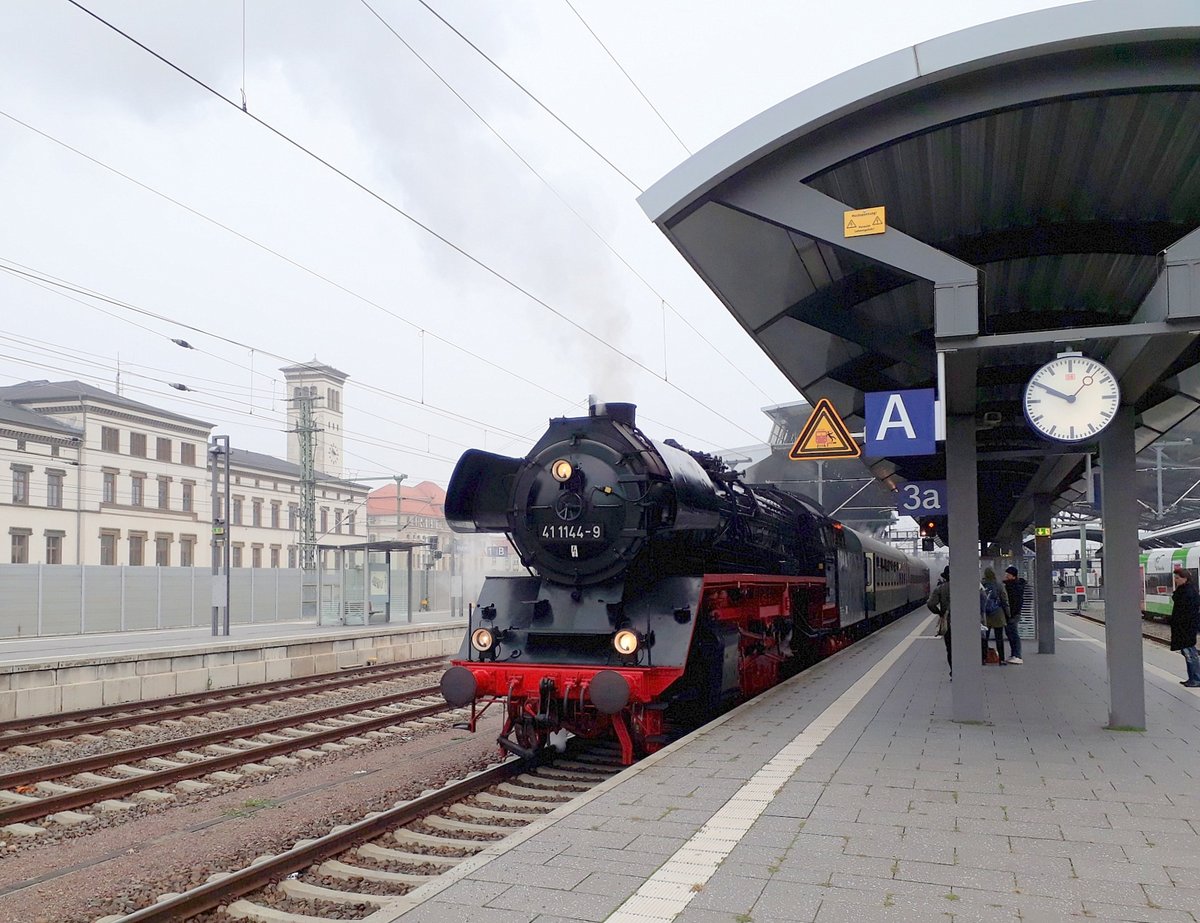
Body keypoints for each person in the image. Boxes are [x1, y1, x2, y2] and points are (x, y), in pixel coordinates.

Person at [1169, 567, 1200, 688]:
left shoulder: (1188, 592)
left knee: (1190, 654)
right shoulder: (1185, 590)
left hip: (1186, 628)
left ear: (1185, 578)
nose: (1175, 580)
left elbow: (1188, 611)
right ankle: (1192, 678)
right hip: (1184, 628)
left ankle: (1196, 678)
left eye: (1177, 578)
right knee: (1188, 653)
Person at [981, 567, 1011, 664]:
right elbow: (1004, 600)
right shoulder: (999, 585)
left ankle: (983, 658)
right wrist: (1008, 614)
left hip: (985, 614)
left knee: (984, 637)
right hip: (998, 613)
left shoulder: (982, 585)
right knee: (999, 638)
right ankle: (1001, 659)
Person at [927, 566, 952, 674]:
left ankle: (953, 671)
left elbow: (930, 603)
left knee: (950, 648)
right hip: (965, 622)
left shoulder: (941, 588)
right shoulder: (965, 586)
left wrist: (939, 612)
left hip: (948, 622)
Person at [1002, 566, 1026, 664]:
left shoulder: (1014, 587)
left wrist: (1012, 614)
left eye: (1008, 574)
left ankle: (1017, 655)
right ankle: (1014, 654)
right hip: (1011, 614)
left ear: (1013, 576)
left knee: (1014, 635)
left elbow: (1014, 602)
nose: (1006, 576)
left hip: (1013, 614)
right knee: (1010, 634)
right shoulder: (1012, 585)